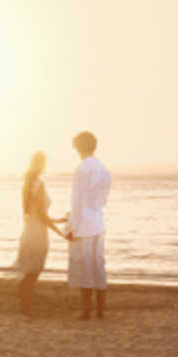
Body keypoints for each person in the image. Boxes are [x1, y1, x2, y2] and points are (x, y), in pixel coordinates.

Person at [64, 131, 112, 320]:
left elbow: (77, 203)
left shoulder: (82, 169)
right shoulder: (104, 170)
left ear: (77, 147)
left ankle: (86, 311)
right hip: (98, 223)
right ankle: (100, 311)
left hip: (83, 225)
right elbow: (101, 201)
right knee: (98, 266)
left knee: (84, 268)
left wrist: (69, 228)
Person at [10, 151, 64, 317]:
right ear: (42, 164)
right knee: (33, 274)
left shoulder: (26, 184)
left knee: (27, 273)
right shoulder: (39, 183)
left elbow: (30, 214)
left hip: (28, 231)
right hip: (38, 232)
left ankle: (24, 310)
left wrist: (56, 220)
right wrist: (59, 232)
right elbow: (40, 213)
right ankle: (27, 312)